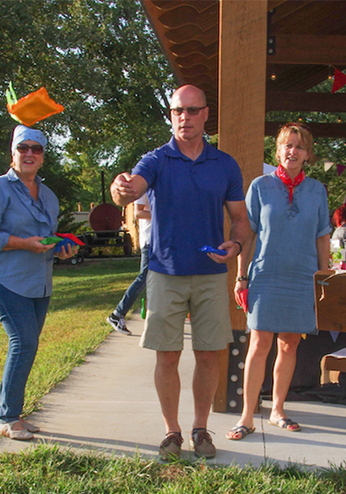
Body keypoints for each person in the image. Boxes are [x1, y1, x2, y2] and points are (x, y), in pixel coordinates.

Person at [109, 84, 251, 463]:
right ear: (171, 116)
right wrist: (120, 189)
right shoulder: (156, 160)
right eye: (177, 111)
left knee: (208, 357)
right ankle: (172, 431)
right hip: (165, 273)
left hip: (210, 274)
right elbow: (129, 190)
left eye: (191, 110)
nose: (184, 118)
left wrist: (236, 245)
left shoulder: (225, 164)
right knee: (167, 357)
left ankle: (200, 429)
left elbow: (240, 219)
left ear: (206, 115)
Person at [0, 125, 78, 440]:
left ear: (43, 157)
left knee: (27, 346)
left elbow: (44, 239)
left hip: (39, 283)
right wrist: (23, 244)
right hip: (5, 280)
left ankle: (11, 413)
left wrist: (61, 248)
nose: (29, 153)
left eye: (36, 148)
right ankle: (7, 418)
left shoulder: (48, 196)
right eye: (23, 148)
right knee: (23, 342)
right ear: (13, 152)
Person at [226, 123, 331, 441]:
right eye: (287, 145)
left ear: (308, 154)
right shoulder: (260, 186)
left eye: (299, 146)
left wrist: (323, 278)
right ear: (278, 151)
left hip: (302, 278)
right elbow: (247, 234)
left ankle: (278, 410)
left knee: (290, 344)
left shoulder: (317, 190)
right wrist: (241, 276)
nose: (293, 151)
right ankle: (247, 416)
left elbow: (322, 236)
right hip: (266, 275)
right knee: (259, 344)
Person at [106, 195, 152, 335]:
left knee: (159, 280)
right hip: (149, 242)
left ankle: (154, 315)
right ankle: (117, 314)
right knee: (144, 278)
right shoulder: (144, 189)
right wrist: (162, 214)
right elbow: (138, 213)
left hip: (161, 242)